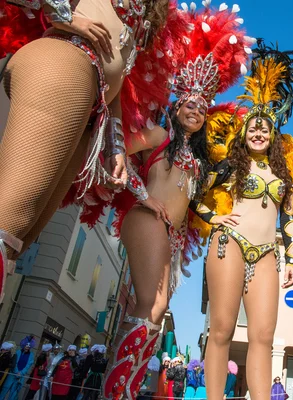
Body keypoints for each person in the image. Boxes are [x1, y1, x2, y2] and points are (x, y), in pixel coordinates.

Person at [100, 4, 252, 399]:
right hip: (146, 217)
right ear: (177, 103)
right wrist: (142, 196)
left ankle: (122, 390)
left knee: (152, 309)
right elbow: (113, 153)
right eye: (190, 103)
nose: (197, 110)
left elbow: (195, 200)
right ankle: (117, 393)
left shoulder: (198, 160)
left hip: (168, 231)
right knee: (154, 302)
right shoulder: (159, 136)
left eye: (203, 107)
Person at [0, 0, 183, 304]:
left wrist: (115, 147)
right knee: (11, 216)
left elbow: (115, 87)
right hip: (64, 64)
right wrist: (63, 15)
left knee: (20, 237)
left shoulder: (140, 19)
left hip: (90, 101)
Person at [196, 41, 293, 400]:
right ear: (244, 134)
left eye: (264, 129)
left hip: (266, 255)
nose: (258, 133)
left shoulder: (285, 173)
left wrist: (291, 260)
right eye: (252, 129)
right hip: (229, 245)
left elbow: (289, 219)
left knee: (263, 335)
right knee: (223, 329)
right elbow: (195, 197)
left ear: (273, 134)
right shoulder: (230, 165)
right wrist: (216, 217)